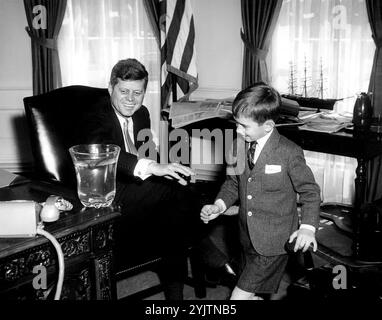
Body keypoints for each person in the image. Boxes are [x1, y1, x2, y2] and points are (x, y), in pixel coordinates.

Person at [80, 58, 233, 299]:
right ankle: (205, 247)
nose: (131, 99)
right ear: (111, 88)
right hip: (107, 194)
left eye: (137, 93)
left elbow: (149, 152)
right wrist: (156, 168)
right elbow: (105, 155)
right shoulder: (93, 115)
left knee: (175, 209)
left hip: (142, 192)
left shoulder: (141, 113)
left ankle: (175, 298)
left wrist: (169, 170)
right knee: (175, 196)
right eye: (124, 91)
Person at [200, 82, 321, 300]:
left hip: (275, 242)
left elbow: (311, 192)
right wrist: (219, 205)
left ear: (268, 126)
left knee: (238, 297)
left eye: (244, 126)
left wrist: (308, 228)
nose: (237, 130)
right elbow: (232, 183)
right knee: (253, 293)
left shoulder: (288, 153)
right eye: (236, 123)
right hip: (246, 237)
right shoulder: (237, 145)